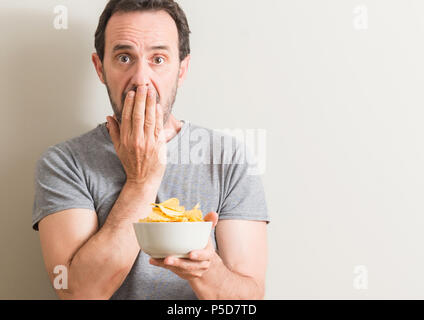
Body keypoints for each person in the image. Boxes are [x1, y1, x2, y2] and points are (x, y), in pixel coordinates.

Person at [32, 0, 269, 300]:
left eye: (158, 59)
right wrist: (142, 182)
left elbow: (249, 300)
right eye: (123, 57)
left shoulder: (230, 159)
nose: (141, 78)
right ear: (100, 67)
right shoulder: (64, 163)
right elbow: (79, 294)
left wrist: (207, 269)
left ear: (181, 69)